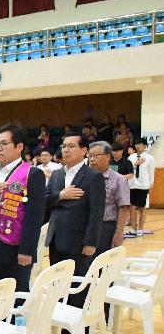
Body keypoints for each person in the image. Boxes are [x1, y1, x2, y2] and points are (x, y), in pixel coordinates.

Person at [0, 124, 47, 334]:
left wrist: (27, 250)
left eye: (4, 144)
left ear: (19, 147)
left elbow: (34, 215)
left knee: (18, 297)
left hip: (14, 245)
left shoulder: (31, 174)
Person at [45, 133, 105, 315]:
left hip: (79, 240)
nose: (66, 150)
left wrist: (91, 242)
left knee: (78, 284)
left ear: (84, 150)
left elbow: (96, 212)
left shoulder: (92, 176)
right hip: (56, 237)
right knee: (59, 283)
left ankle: (79, 329)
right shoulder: (56, 174)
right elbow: (45, 200)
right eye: (64, 146)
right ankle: (62, 324)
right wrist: (61, 195)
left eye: (71, 146)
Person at [87, 141, 130, 259]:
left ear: (108, 157)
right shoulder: (84, 178)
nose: (92, 159)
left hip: (106, 228)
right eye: (89, 156)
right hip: (86, 227)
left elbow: (124, 207)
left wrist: (119, 232)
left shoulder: (119, 179)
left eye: (96, 155)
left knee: (103, 265)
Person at [128, 137, 155, 236]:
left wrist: (150, 184)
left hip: (143, 185)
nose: (137, 146)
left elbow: (151, 172)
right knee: (131, 207)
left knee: (142, 208)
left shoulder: (150, 158)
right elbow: (129, 170)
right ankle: (133, 227)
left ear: (144, 146)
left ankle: (140, 228)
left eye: (139, 144)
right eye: (136, 144)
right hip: (132, 184)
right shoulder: (131, 157)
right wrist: (136, 164)